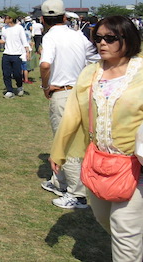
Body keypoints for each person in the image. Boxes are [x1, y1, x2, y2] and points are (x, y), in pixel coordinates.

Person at [50, 16, 143, 261]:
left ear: (128, 39)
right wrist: (58, 150)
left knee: (124, 228)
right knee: (105, 220)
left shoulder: (141, 72)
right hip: (100, 162)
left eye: (110, 38)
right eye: (98, 37)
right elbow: (72, 113)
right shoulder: (91, 73)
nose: (102, 43)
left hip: (135, 165)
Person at [39, 0, 99, 209]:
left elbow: (45, 64)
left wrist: (45, 86)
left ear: (43, 19)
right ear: (65, 17)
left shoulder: (50, 37)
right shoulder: (77, 36)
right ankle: (60, 182)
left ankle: (77, 194)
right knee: (69, 140)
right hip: (80, 92)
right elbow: (95, 58)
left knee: (67, 142)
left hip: (62, 93)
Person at [0, 15, 31, 98]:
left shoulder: (19, 28)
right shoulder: (4, 28)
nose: (4, 20)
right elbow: (3, 40)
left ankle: (19, 86)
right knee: (6, 74)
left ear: (11, 19)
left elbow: (24, 40)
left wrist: (27, 52)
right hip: (6, 54)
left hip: (17, 54)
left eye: (6, 18)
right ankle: (9, 90)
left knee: (17, 74)